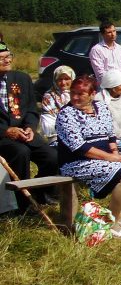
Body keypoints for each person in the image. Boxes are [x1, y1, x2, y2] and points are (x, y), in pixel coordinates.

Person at [56, 76, 121, 240]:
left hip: (103, 158)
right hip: (77, 162)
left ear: (93, 94)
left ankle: (118, 213)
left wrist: (114, 152)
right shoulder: (66, 114)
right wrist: (109, 157)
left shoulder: (101, 107)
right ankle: (111, 223)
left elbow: (110, 135)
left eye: (81, 94)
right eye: (73, 93)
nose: (75, 97)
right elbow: (79, 147)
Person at [0, 42, 60, 211]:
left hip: (25, 133)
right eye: (1, 59)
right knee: (21, 152)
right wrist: (6, 131)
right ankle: (23, 204)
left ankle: (40, 192)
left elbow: (32, 109)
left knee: (52, 156)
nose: (6, 61)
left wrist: (30, 128)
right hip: (3, 136)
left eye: (8, 57)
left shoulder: (22, 78)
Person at [39, 65, 75, 143]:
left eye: (67, 79)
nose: (63, 82)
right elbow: (48, 121)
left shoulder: (79, 93)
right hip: (57, 136)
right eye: (60, 79)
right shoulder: (48, 96)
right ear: (55, 80)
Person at [88, 20, 121, 87]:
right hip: (106, 87)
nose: (113, 34)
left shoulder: (120, 49)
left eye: (114, 31)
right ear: (102, 34)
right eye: (109, 32)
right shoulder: (96, 50)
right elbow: (100, 73)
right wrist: (116, 83)